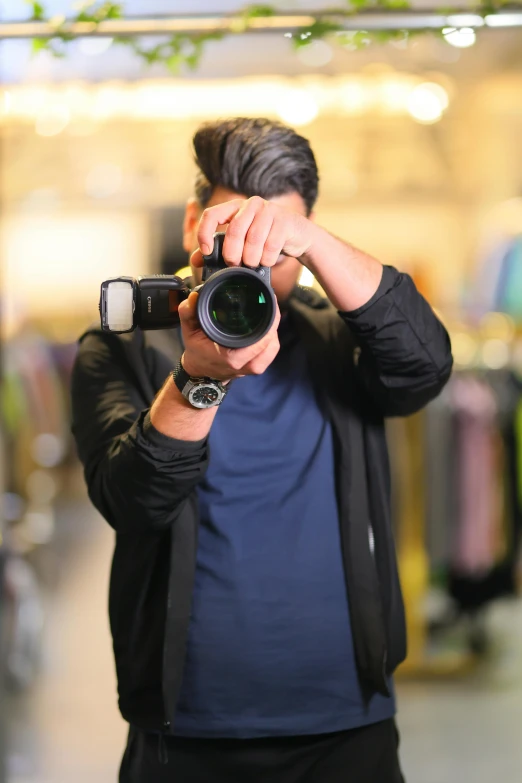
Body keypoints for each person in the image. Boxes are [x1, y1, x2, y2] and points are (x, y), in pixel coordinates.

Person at [71, 117, 453, 783]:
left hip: (346, 720)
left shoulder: (345, 339)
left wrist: (308, 241)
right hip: (184, 725)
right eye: (229, 234)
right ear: (194, 222)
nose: (249, 262)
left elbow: (424, 366)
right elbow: (132, 500)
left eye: (275, 242)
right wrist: (197, 379)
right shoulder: (121, 347)